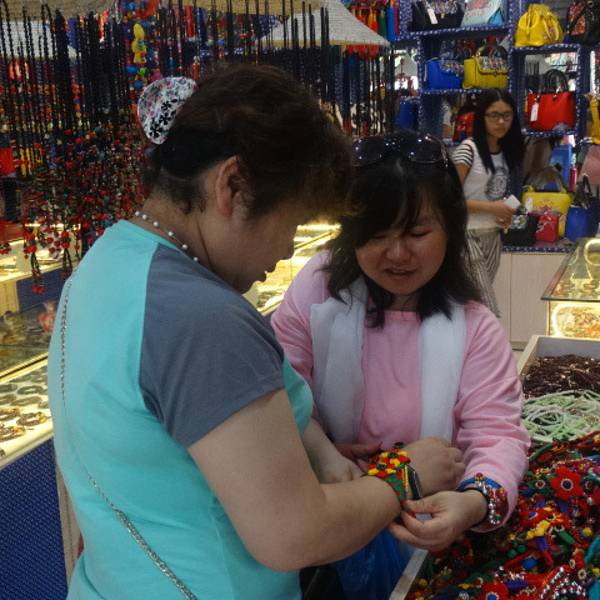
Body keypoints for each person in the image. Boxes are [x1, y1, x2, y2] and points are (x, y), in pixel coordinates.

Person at [47, 66, 463, 600]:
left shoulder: (108, 260)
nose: (287, 249)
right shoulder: (202, 317)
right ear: (232, 185)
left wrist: (310, 452)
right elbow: (295, 534)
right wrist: (405, 475)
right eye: (292, 222)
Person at [272, 130, 530, 598]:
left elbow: (497, 434)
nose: (397, 254)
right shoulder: (318, 290)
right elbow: (279, 389)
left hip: (423, 537)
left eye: (416, 233)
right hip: (322, 525)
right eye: (376, 234)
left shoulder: (476, 327)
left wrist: (474, 502)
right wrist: (321, 448)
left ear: (450, 228)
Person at [452, 88, 525, 316]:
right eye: (494, 115)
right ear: (482, 116)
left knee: (473, 308)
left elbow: (492, 195)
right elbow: (450, 198)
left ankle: (463, 340)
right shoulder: (468, 150)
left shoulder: (505, 152)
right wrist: (494, 208)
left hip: (492, 237)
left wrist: (502, 212)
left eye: (507, 115)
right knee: (487, 308)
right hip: (466, 237)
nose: (501, 122)